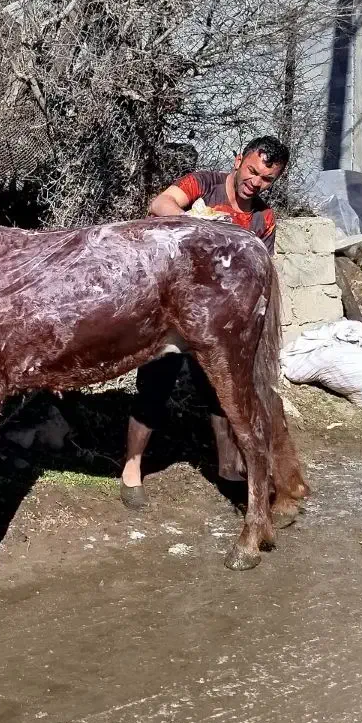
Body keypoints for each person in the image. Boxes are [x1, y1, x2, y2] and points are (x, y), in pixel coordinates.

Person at [120, 135, 289, 511]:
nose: (255, 183)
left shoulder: (264, 218)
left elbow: (260, 270)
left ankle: (228, 466)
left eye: (266, 179)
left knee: (220, 395)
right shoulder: (203, 183)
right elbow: (159, 203)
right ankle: (131, 470)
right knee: (154, 386)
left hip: (219, 322)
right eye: (252, 171)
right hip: (169, 313)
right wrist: (198, 223)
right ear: (238, 160)